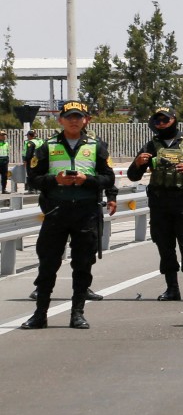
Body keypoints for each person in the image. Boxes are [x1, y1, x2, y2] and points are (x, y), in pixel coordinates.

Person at [21, 101, 114, 330]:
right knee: (48, 264)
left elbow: (108, 177)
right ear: (61, 120)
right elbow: (33, 178)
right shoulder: (47, 146)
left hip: (85, 212)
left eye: (78, 117)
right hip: (56, 212)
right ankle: (40, 314)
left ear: (87, 120)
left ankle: (78, 313)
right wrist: (55, 180)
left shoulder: (96, 146)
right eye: (69, 116)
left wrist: (88, 181)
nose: (74, 120)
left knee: (82, 265)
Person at [127, 106, 183, 303]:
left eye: (165, 120)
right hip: (160, 203)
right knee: (165, 247)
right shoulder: (150, 146)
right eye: (157, 121)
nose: (161, 124)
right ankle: (172, 288)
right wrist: (138, 163)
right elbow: (133, 176)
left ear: (174, 119)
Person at [23, 129, 42, 193]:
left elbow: (29, 153)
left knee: (30, 174)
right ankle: (38, 188)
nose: (27, 137)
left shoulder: (30, 143)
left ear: (29, 136)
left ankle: (31, 189)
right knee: (38, 174)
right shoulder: (39, 141)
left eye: (27, 136)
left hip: (31, 161)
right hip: (38, 160)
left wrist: (25, 160)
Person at [0, 130, 9, 194]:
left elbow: (7, 152)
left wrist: (7, 159)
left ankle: (4, 189)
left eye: (4, 135)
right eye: (2, 135)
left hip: (4, 162)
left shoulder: (6, 143)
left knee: (4, 176)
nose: (4, 136)